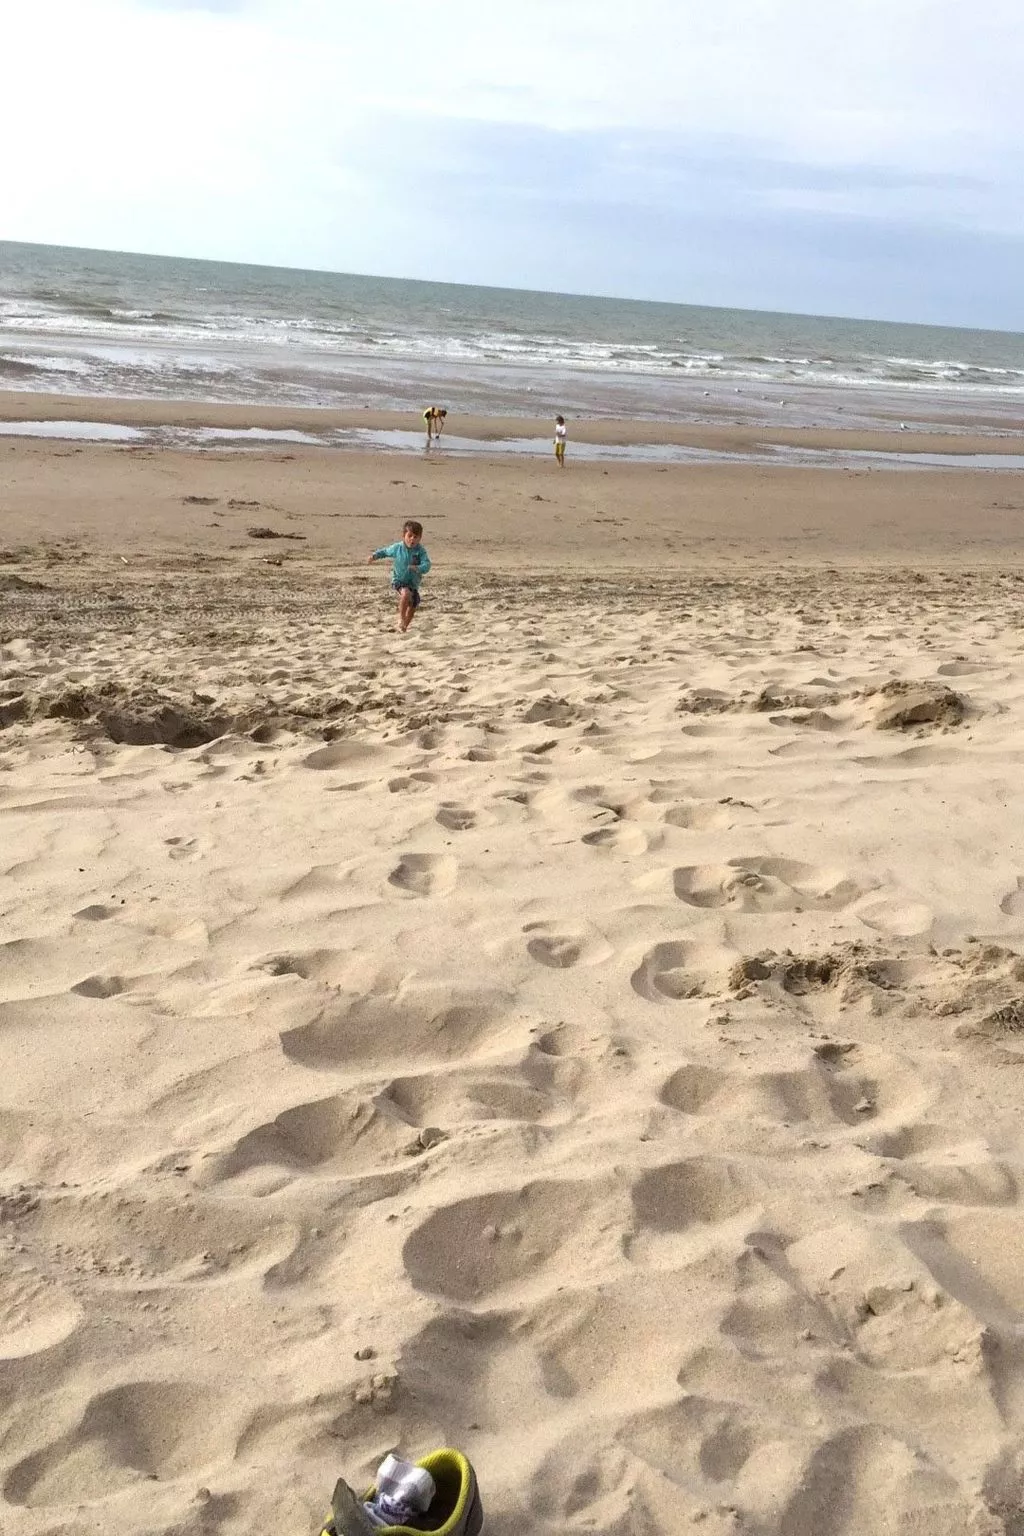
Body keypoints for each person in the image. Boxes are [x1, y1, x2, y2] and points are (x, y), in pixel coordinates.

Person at [368, 519, 431, 632]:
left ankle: (404, 627)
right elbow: (385, 552)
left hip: (413, 583)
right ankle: (401, 619)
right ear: (404, 536)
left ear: (420, 538)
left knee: (413, 606)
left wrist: (418, 568)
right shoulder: (398, 548)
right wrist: (374, 556)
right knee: (405, 593)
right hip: (399, 580)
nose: (412, 539)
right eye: (410, 536)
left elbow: (427, 565)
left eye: (415, 537)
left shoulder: (420, 551)